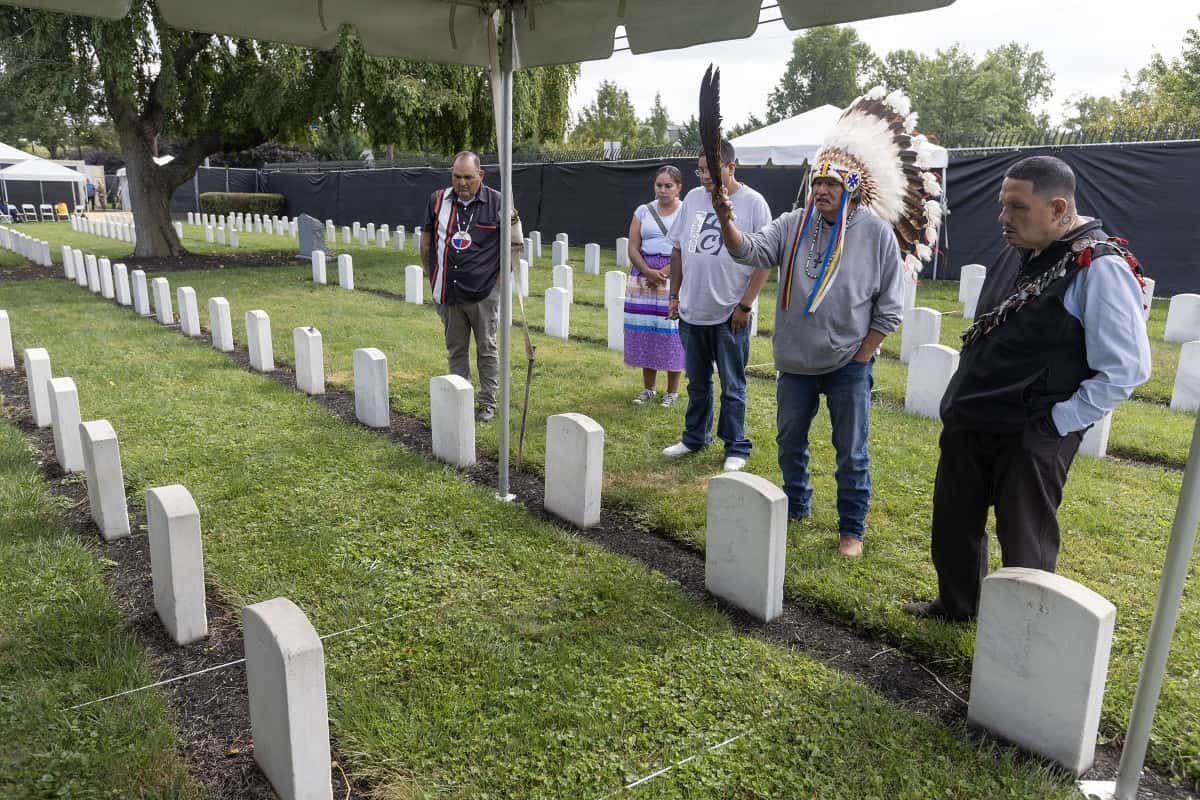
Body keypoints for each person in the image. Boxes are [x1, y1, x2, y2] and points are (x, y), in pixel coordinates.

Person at [904, 155, 1151, 620]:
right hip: (974, 417)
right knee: (955, 522)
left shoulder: (1099, 268)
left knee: (1025, 539)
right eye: (1002, 206)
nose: (1003, 218)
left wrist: (1055, 424)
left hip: (1032, 428)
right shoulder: (1019, 251)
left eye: (1016, 208)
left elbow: (1126, 368)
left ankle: (1022, 633)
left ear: (1059, 209)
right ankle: (958, 606)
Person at [714, 87, 938, 558]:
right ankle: (796, 507)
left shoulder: (874, 233)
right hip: (795, 362)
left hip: (847, 365)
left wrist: (861, 355)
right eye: (817, 183)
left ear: (851, 186)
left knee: (851, 452)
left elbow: (889, 306)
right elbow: (749, 251)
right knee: (789, 440)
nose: (821, 191)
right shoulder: (794, 222)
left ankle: (851, 530)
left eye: (831, 185)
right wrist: (725, 218)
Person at [663, 141, 771, 472]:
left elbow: (764, 261)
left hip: (729, 313)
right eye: (700, 170)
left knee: (732, 385)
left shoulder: (753, 204)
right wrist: (674, 295)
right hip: (693, 310)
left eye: (710, 170)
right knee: (697, 382)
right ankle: (694, 437)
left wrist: (745, 305)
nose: (703, 176)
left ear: (731, 168)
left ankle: (735, 445)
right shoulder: (693, 199)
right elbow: (679, 250)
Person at [421, 151, 503, 423]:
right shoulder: (437, 200)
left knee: (486, 348)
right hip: (448, 292)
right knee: (456, 349)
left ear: (481, 175)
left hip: (482, 293)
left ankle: (487, 402)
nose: (462, 183)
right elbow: (426, 242)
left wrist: (496, 285)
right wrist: (432, 276)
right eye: (457, 176)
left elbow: (513, 248)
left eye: (468, 177)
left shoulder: (499, 202)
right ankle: (461, 398)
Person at [624, 165, 685, 407]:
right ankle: (648, 388)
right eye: (659, 185)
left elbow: (686, 246)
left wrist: (665, 272)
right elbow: (633, 246)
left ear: (679, 187)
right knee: (646, 330)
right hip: (643, 276)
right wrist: (648, 271)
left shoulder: (685, 211)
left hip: (674, 274)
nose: (663, 190)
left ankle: (672, 391)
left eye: (668, 185)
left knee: (672, 332)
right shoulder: (643, 211)